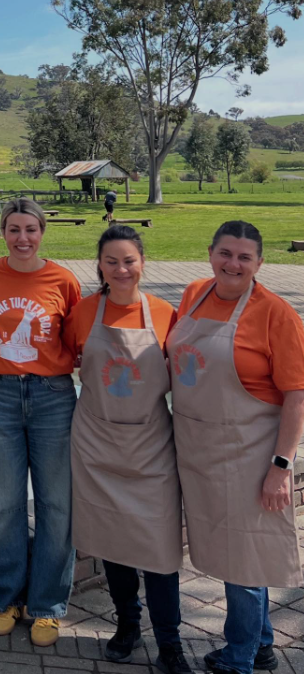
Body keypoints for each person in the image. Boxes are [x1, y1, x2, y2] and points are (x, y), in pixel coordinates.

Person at [168, 220, 304, 674]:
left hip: (249, 452)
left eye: (245, 257)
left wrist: (281, 467)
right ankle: (261, 643)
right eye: (225, 253)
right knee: (234, 553)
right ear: (210, 254)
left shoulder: (276, 313)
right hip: (199, 449)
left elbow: (297, 395)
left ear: (260, 264)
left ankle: (239, 659)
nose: (233, 264)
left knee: (244, 560)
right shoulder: (193, 295)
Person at [63, 225, 190, 674]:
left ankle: (170, 642)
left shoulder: (165, 314)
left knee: (159, 550)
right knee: (111, 544)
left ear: (142, 262)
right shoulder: (82, 313)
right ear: (99, 264)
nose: (121, 269)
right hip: (97, 444)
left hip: (151, 445)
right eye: (111, 261)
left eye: (129, 261)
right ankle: (126, 626)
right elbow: (68, 359)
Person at [0, 197, 82, 647]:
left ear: (42, 233)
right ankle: (8, 598)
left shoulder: (63, 279)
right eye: (14, 229)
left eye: (30, 230)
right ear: (3, 233)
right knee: (1, 504)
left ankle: (48, 605)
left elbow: (73, 340)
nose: (22, 238)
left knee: (57, 504)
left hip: (52, 396)